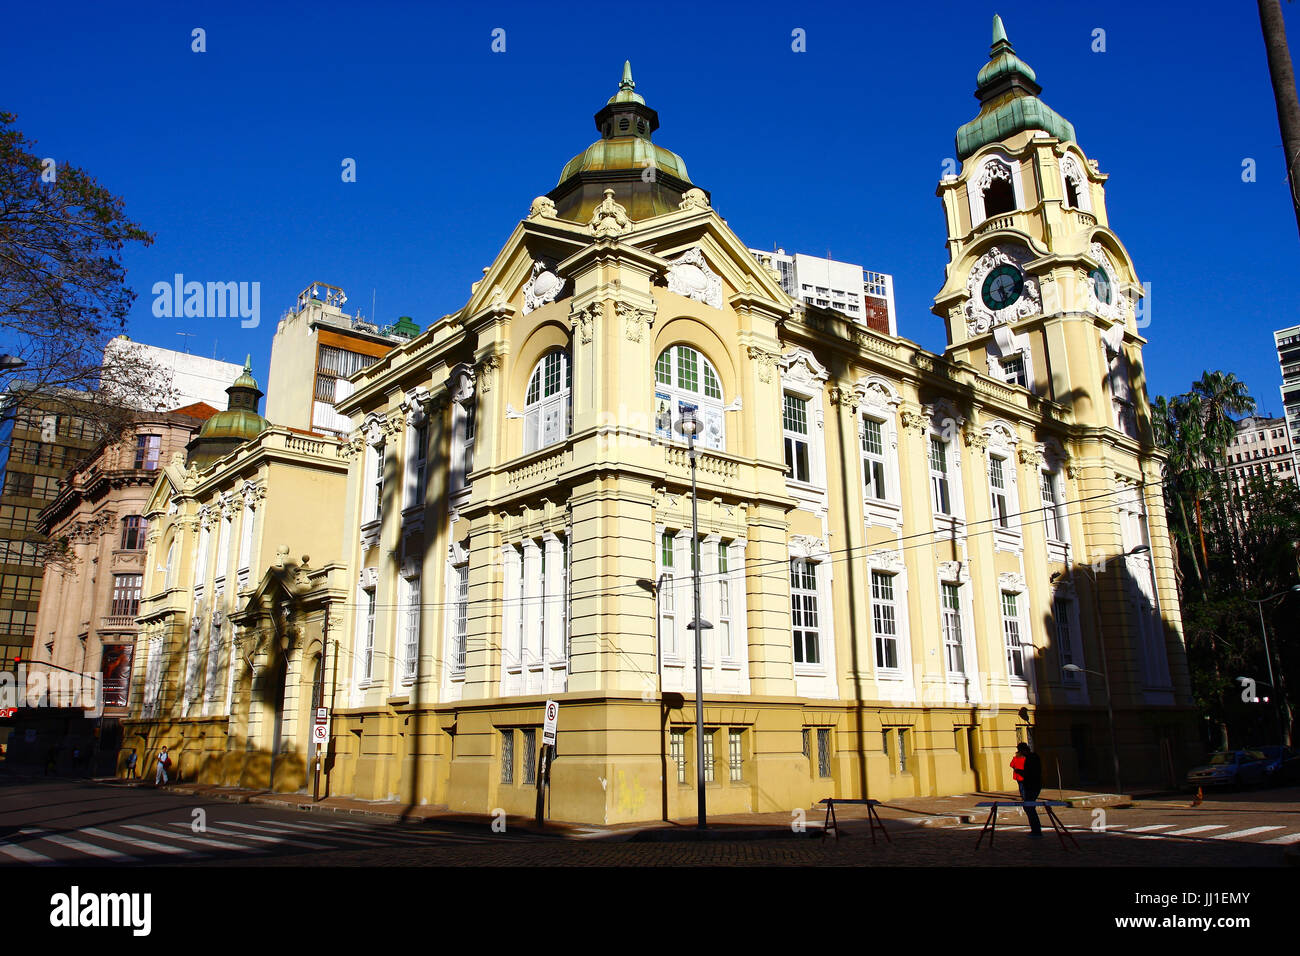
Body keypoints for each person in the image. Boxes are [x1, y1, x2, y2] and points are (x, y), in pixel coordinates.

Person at [1011, 742, 1043, 837]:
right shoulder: (1031, 757)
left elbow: (1031, 773)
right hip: (1031, 785)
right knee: (1029, 806)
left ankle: (1036, 830)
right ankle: (1036, 829)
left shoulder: (1031, 758)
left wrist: (1020, 771)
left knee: (1029, 806)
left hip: (1033, 785)